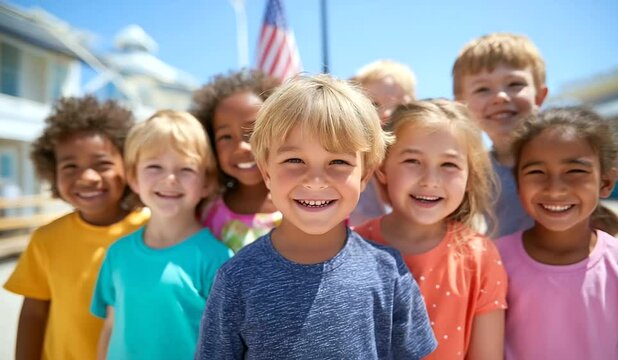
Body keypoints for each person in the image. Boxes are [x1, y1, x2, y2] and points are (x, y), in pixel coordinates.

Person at [196, 74, 437, 359]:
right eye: (294, 160)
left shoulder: (389, 272)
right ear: (267, 172)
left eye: (338, 161)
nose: (315, 181)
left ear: (365, 175)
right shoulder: (235, 279)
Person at [356, 100, 507, 359]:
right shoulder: (351, 248)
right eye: (412, 161)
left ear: (470, 178)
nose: (430, 180)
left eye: (449, 165)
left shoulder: (480, 256)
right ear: (382, 168)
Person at [3, 96, 149, 360]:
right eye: (70, 166)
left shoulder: (153, 232)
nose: (87, 177)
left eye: (102, 164)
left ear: (128, 165)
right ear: (52, 171)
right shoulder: (46, 239)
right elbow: (34, 313)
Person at [496, 107, 618, 360]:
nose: (555, 189)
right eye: (536, 172)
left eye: (575, 171)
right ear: (518, 184)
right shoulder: (492, 261)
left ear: (606, 182)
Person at [90, 110, 233, 360]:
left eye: (186, 169)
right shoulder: (117, 253)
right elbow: (111, 326)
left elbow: (226, 344)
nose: (169, 179)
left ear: (207, 182)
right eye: (154, 166)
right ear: (133, 178)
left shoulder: (218, 259)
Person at [452, 33, 548, 237]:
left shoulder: (563, 158)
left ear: (540, 96)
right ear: (462, 106)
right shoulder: (473, 172)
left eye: (514, 84)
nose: (500, 97)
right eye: (482, 89)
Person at [191, 69, 282, 252]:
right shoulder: (206, 212)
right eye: (225, 137)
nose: (242, 146)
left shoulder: (301, 203)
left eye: (252, 132)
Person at [350, 59, 416, 227]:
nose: (387, 112)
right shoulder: (351, 162)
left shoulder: (418, 162)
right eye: (374, 104)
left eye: (399, 106)